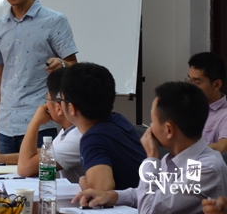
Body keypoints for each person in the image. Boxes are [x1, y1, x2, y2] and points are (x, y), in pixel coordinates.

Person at [73, 81, 227, 213]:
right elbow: (153, 194)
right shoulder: (173, 158)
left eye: (152, 121)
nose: (150, 127)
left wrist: (152, 158)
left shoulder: (203, 168)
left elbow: (148, 209)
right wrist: (111, 196)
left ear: (168, 130)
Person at [0, 0, 78, 154]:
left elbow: (74, 67)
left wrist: (62, 64)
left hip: (41, 123)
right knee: (3, 174)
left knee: (38, 174)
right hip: (5, 126)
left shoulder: (54, 21)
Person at [0, 68, 84, 183]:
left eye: (47, 99)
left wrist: (35, 122)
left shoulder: (76, 138)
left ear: (58, 108)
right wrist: (2, 158)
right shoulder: (70, 131)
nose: (45, 104)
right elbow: (42, 154)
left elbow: (25, 168)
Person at [59, 62, 145, 191]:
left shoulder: (93, 139)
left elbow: (98, 193)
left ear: (71, 108)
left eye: (61, 99)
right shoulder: (118, 120)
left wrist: (83, 181)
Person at [188, 52, 227, 153]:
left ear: (217, 85)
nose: (191, 87)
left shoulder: (224, 114)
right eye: (189, 80)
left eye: (197, 82)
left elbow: (223, 146)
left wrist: (186, 150)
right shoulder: (188, 107)